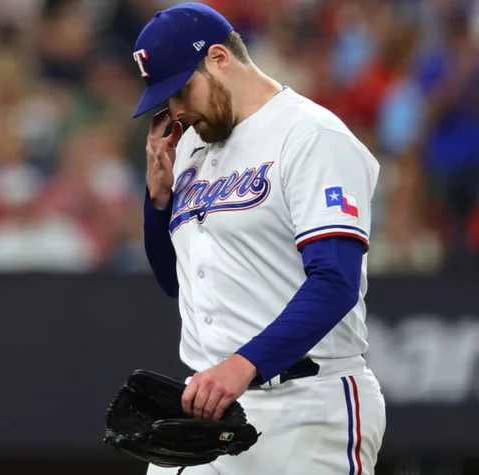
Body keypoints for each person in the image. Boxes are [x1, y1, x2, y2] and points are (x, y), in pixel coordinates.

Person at [133, 3, 386, 475]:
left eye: (182, 89)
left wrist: (244, 363)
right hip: (207, 404)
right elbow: (176, 282)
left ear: (219, 59)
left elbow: (335, 281)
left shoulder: (311, 135)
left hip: (307, 406)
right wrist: (158, 201)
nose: (176, 110)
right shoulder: (189, 144)